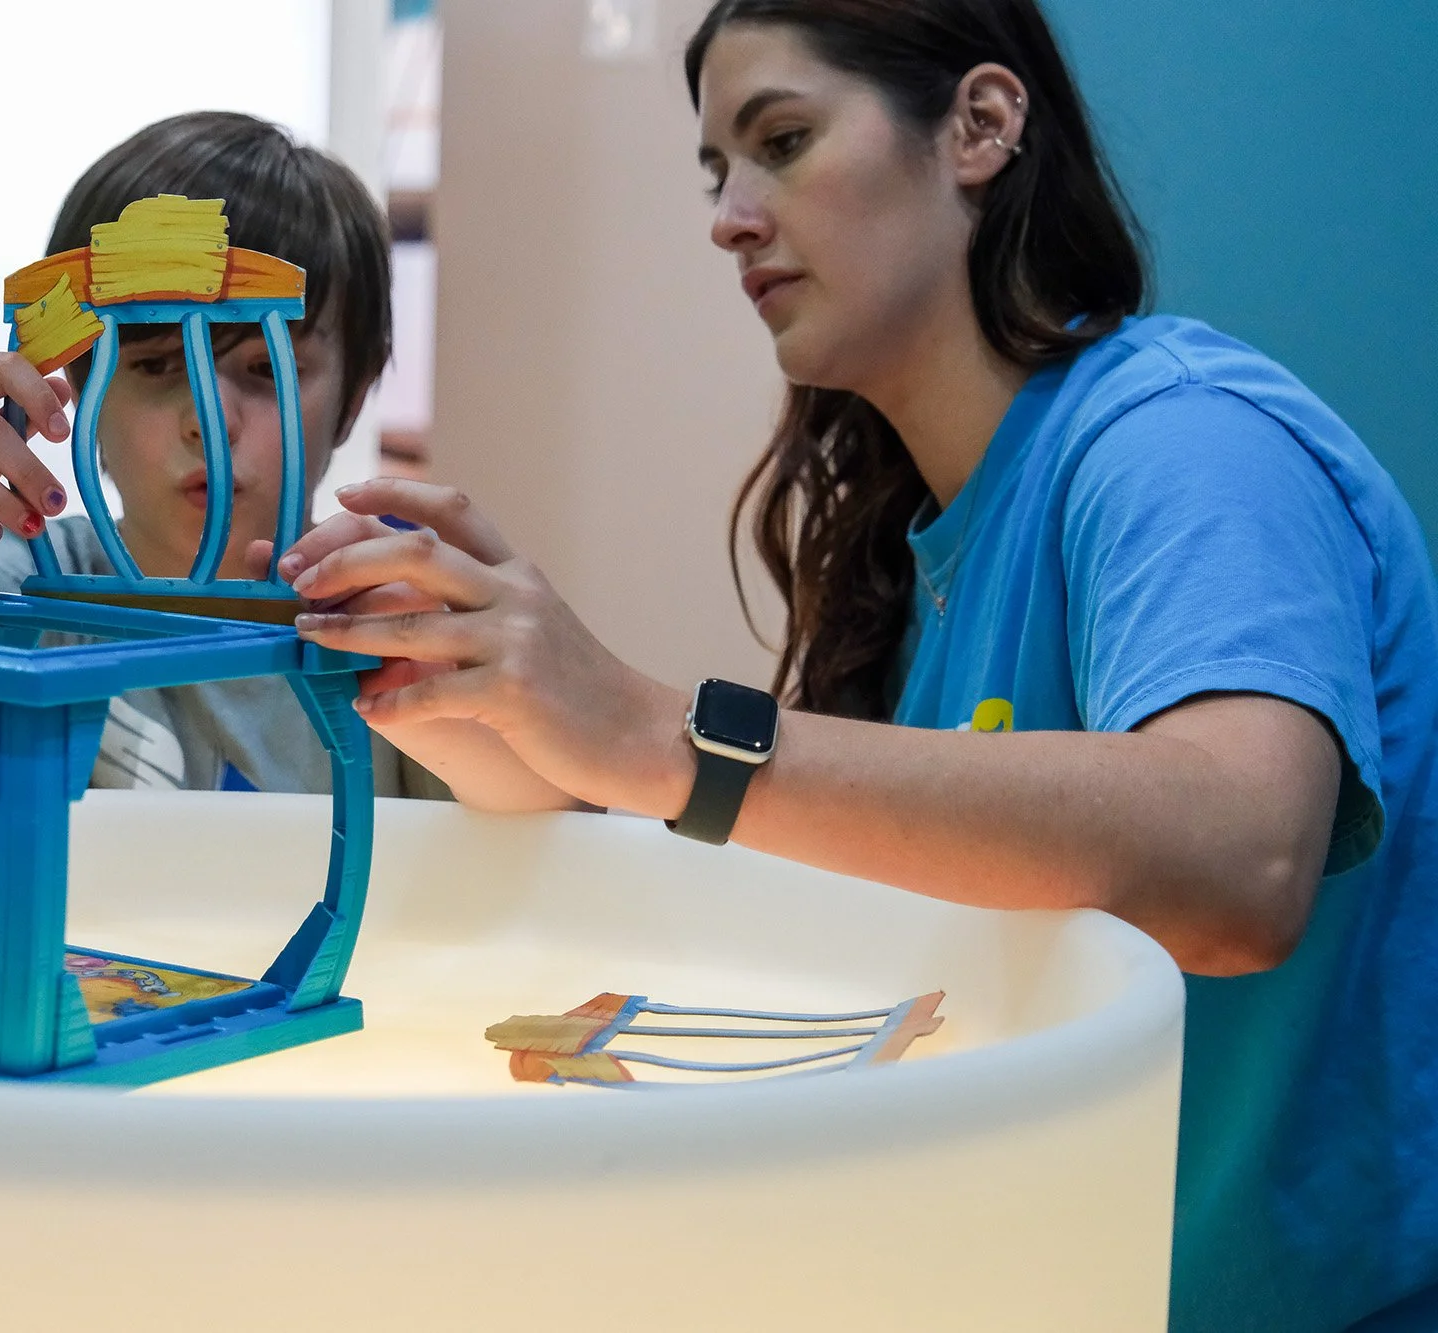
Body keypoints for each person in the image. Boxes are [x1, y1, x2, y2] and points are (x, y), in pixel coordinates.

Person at [265, 2, 1438, 1329]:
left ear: (980, 126)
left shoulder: (1185, 442)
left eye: (782, 142)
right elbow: (860, 873)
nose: (730, 219)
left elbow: (1240, 863)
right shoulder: (922, 538)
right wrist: (493, 712)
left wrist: (658, 735)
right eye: (717, 172)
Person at [0, 111, 449, 803]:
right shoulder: (24, 592)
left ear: (353, 399)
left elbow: (510, 799)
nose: (208, 421)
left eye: (266, 370)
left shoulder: (396, 618)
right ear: (81, 387)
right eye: (155, 365)